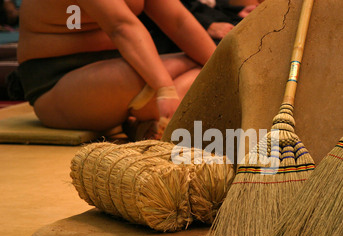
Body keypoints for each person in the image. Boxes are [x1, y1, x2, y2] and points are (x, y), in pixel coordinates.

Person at [10, 0, 216, 140]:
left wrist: (228, 68)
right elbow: (121, 26)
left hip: (118, 67)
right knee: (194, 73)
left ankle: (148, 118)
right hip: (57, 81)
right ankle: (156, 113)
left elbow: (179, 21)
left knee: (209, 67)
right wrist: (165, 88)